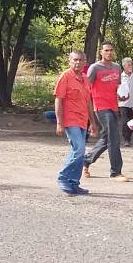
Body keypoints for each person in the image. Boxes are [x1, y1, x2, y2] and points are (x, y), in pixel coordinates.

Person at [54, 51, 97, 196]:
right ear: (69, 61)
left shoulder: (85, 78)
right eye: (75, 60)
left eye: (81, 60)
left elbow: (89, 101)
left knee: (79, 150)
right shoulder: (65, 76)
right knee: (79, 149)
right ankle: (63, 177)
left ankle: (73, 183)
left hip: (83, 120)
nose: (78, 62)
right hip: (70, 119)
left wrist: (93, 122)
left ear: (85, 62)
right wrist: (59, 122)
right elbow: (58, 99)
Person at [83, 42, 126, 181]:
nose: (109, 53)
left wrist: (121, 95)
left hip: (114, 105)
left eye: (111, 50)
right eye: (106, 50)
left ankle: (85, 161)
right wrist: (87, 114)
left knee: (107, 138)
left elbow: (117, 87)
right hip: (100, 106)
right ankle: (115, 172)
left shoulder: (117, 67)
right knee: (114, 137)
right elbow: (86, 88)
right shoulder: (94, 68)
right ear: (101, 52)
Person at [118, 58, 133, 147]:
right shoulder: (120, 76)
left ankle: (128, 137)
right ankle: (126, 139)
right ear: (124, 66)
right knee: (125, 121)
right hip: (123, 103)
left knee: (132, 121)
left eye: (132, 64)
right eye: (129, 65)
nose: (131, 66)